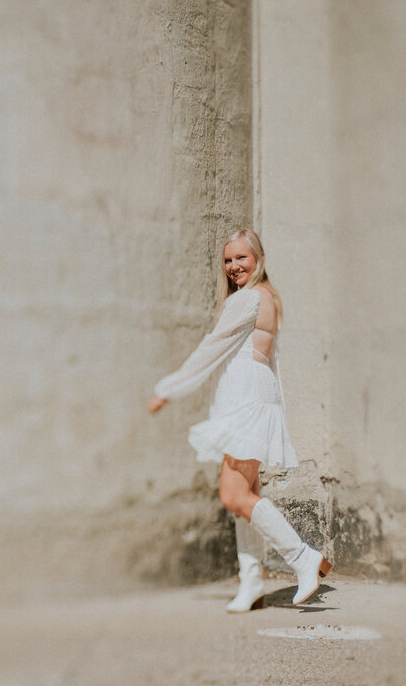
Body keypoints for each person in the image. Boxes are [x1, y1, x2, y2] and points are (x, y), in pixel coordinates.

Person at [147, 229, 332, 611]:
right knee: (248, 499)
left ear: (258, 257)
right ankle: (252, 583)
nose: (233, 267)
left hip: (246, 406)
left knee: (232, 496)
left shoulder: (247, 299)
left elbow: (211, 348)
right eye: (228, 260)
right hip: (255, 402)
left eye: (241, 258)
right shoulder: (268, 296)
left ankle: (303, 558)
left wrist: (169, 388)